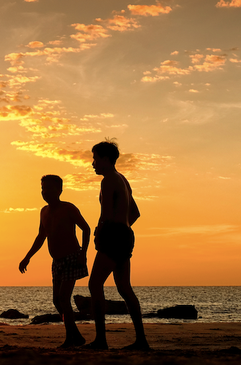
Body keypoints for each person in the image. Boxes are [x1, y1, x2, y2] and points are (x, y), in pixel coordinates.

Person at [87, 140, 150, 351]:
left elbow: (104, 215)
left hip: (113, 235)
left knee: (95, 284)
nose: (93, 163)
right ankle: (141, 340)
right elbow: (135, 213)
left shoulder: (108, 181)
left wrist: (100, 232)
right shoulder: (123, 179)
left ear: (105, 159)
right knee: (124, 287)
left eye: (95, 158)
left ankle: (101, 340)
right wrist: (122, 228)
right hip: (125, 234)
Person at [19, 175, 91, 348]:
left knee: (64, 298)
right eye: (43, 188)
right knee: (57, 301)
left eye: (50, 188)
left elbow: (86, 229)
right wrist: (27, 257)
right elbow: (41, 236)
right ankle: (76, 336)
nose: (46, 192)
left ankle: (70, 339)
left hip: (72, 258)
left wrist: (83, 253)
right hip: (56, 261)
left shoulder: (68, 208)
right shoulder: (44, 211)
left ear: (59, 190)